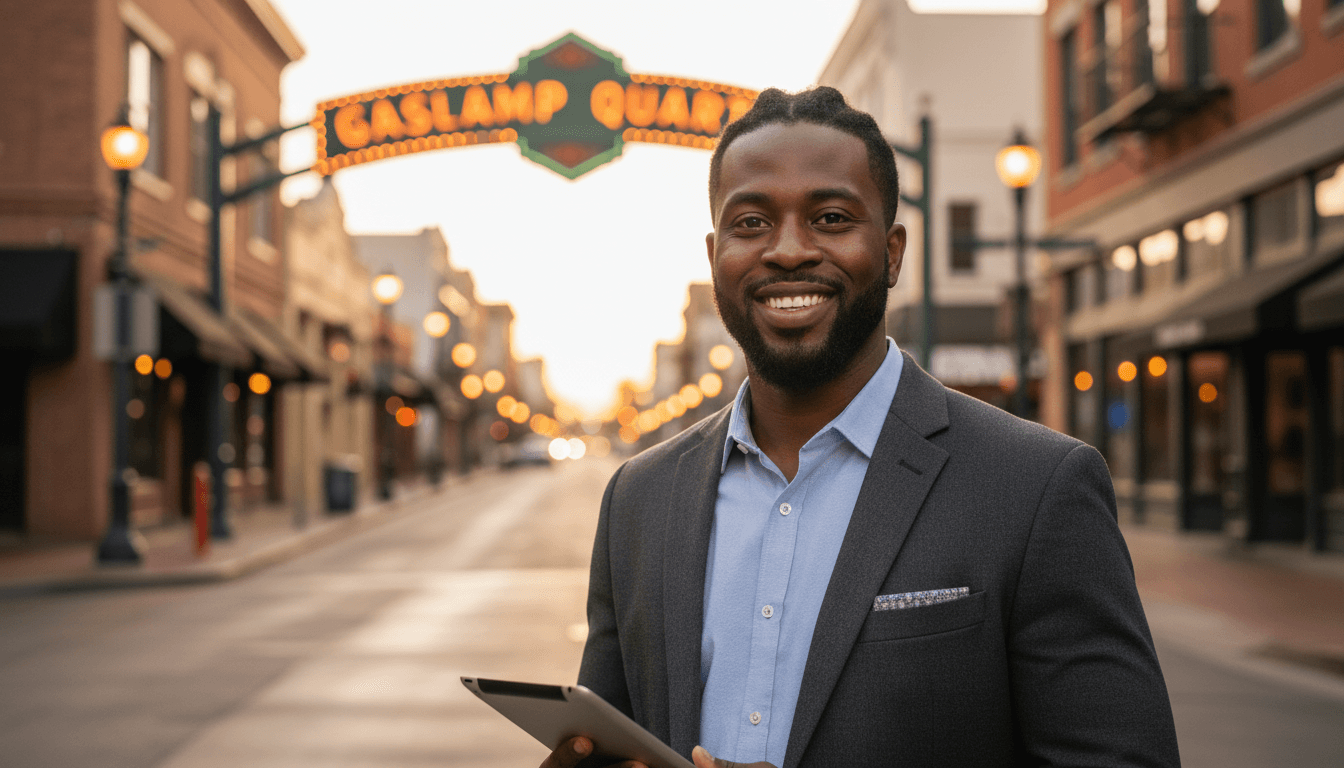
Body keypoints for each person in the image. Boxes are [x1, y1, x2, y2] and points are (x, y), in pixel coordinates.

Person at [542, 87, 1180, 768]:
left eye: (831, 218)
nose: (788, 250)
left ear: (893, 252)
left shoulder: (1035, 488)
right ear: (714, 254)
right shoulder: (638, 499)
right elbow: (607, 742)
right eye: (751, 222)